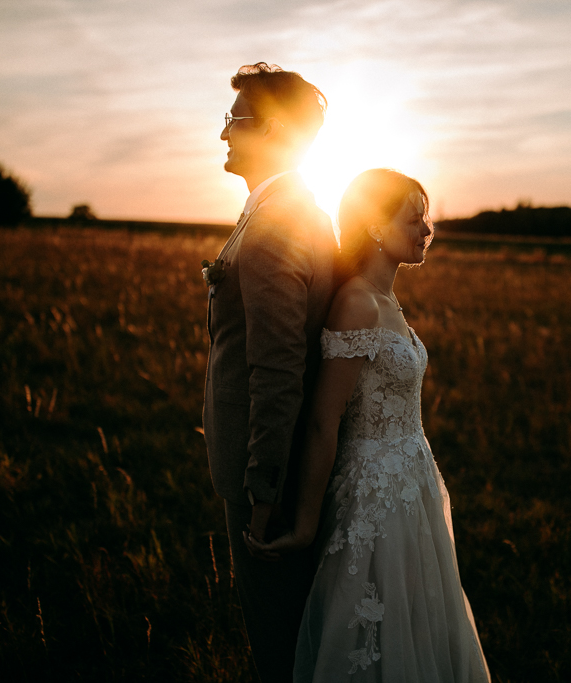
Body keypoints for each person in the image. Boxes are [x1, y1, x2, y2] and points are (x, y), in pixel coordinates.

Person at [247, 169, 491, 681]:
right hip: (374, 495)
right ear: (375, 226)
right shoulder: (358, 302)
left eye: (427, 216)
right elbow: (322, 421)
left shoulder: (388, 302)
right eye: (413, 217)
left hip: (411, 483)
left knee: (419, 618)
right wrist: (307, 522)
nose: (427, 228)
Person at [201, 62, 337, 683]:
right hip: (275, 472)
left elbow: (278, 371)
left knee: (280, 647)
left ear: (273, 128)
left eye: (236, 118)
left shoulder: (276, 225)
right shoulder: (286, 209)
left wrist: (263, 490)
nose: (224, 133)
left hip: (268, 483)